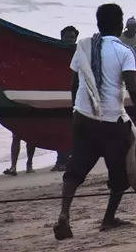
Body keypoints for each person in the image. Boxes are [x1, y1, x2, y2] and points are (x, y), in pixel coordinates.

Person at [55, 3, 136, 240]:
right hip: (111, 122)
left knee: (75, 169)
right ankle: (109, 219)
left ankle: (64, 215)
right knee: (122, 172)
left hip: (82, 118)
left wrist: (76, 112)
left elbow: (73, 84)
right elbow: (134, 89)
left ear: (98, 23)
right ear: (120, 25)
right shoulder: (124, 51)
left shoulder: (82, 46)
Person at [51, 26, 80, 172]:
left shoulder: (80, 53)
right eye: (67, 37)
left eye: (73, 38)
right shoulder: (54, 52)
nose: (70, 40)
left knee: (73, 130)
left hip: (74, 98)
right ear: (61, 37)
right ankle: (60, 160)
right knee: (60, 129)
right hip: (59, 96)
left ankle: (67, 161)